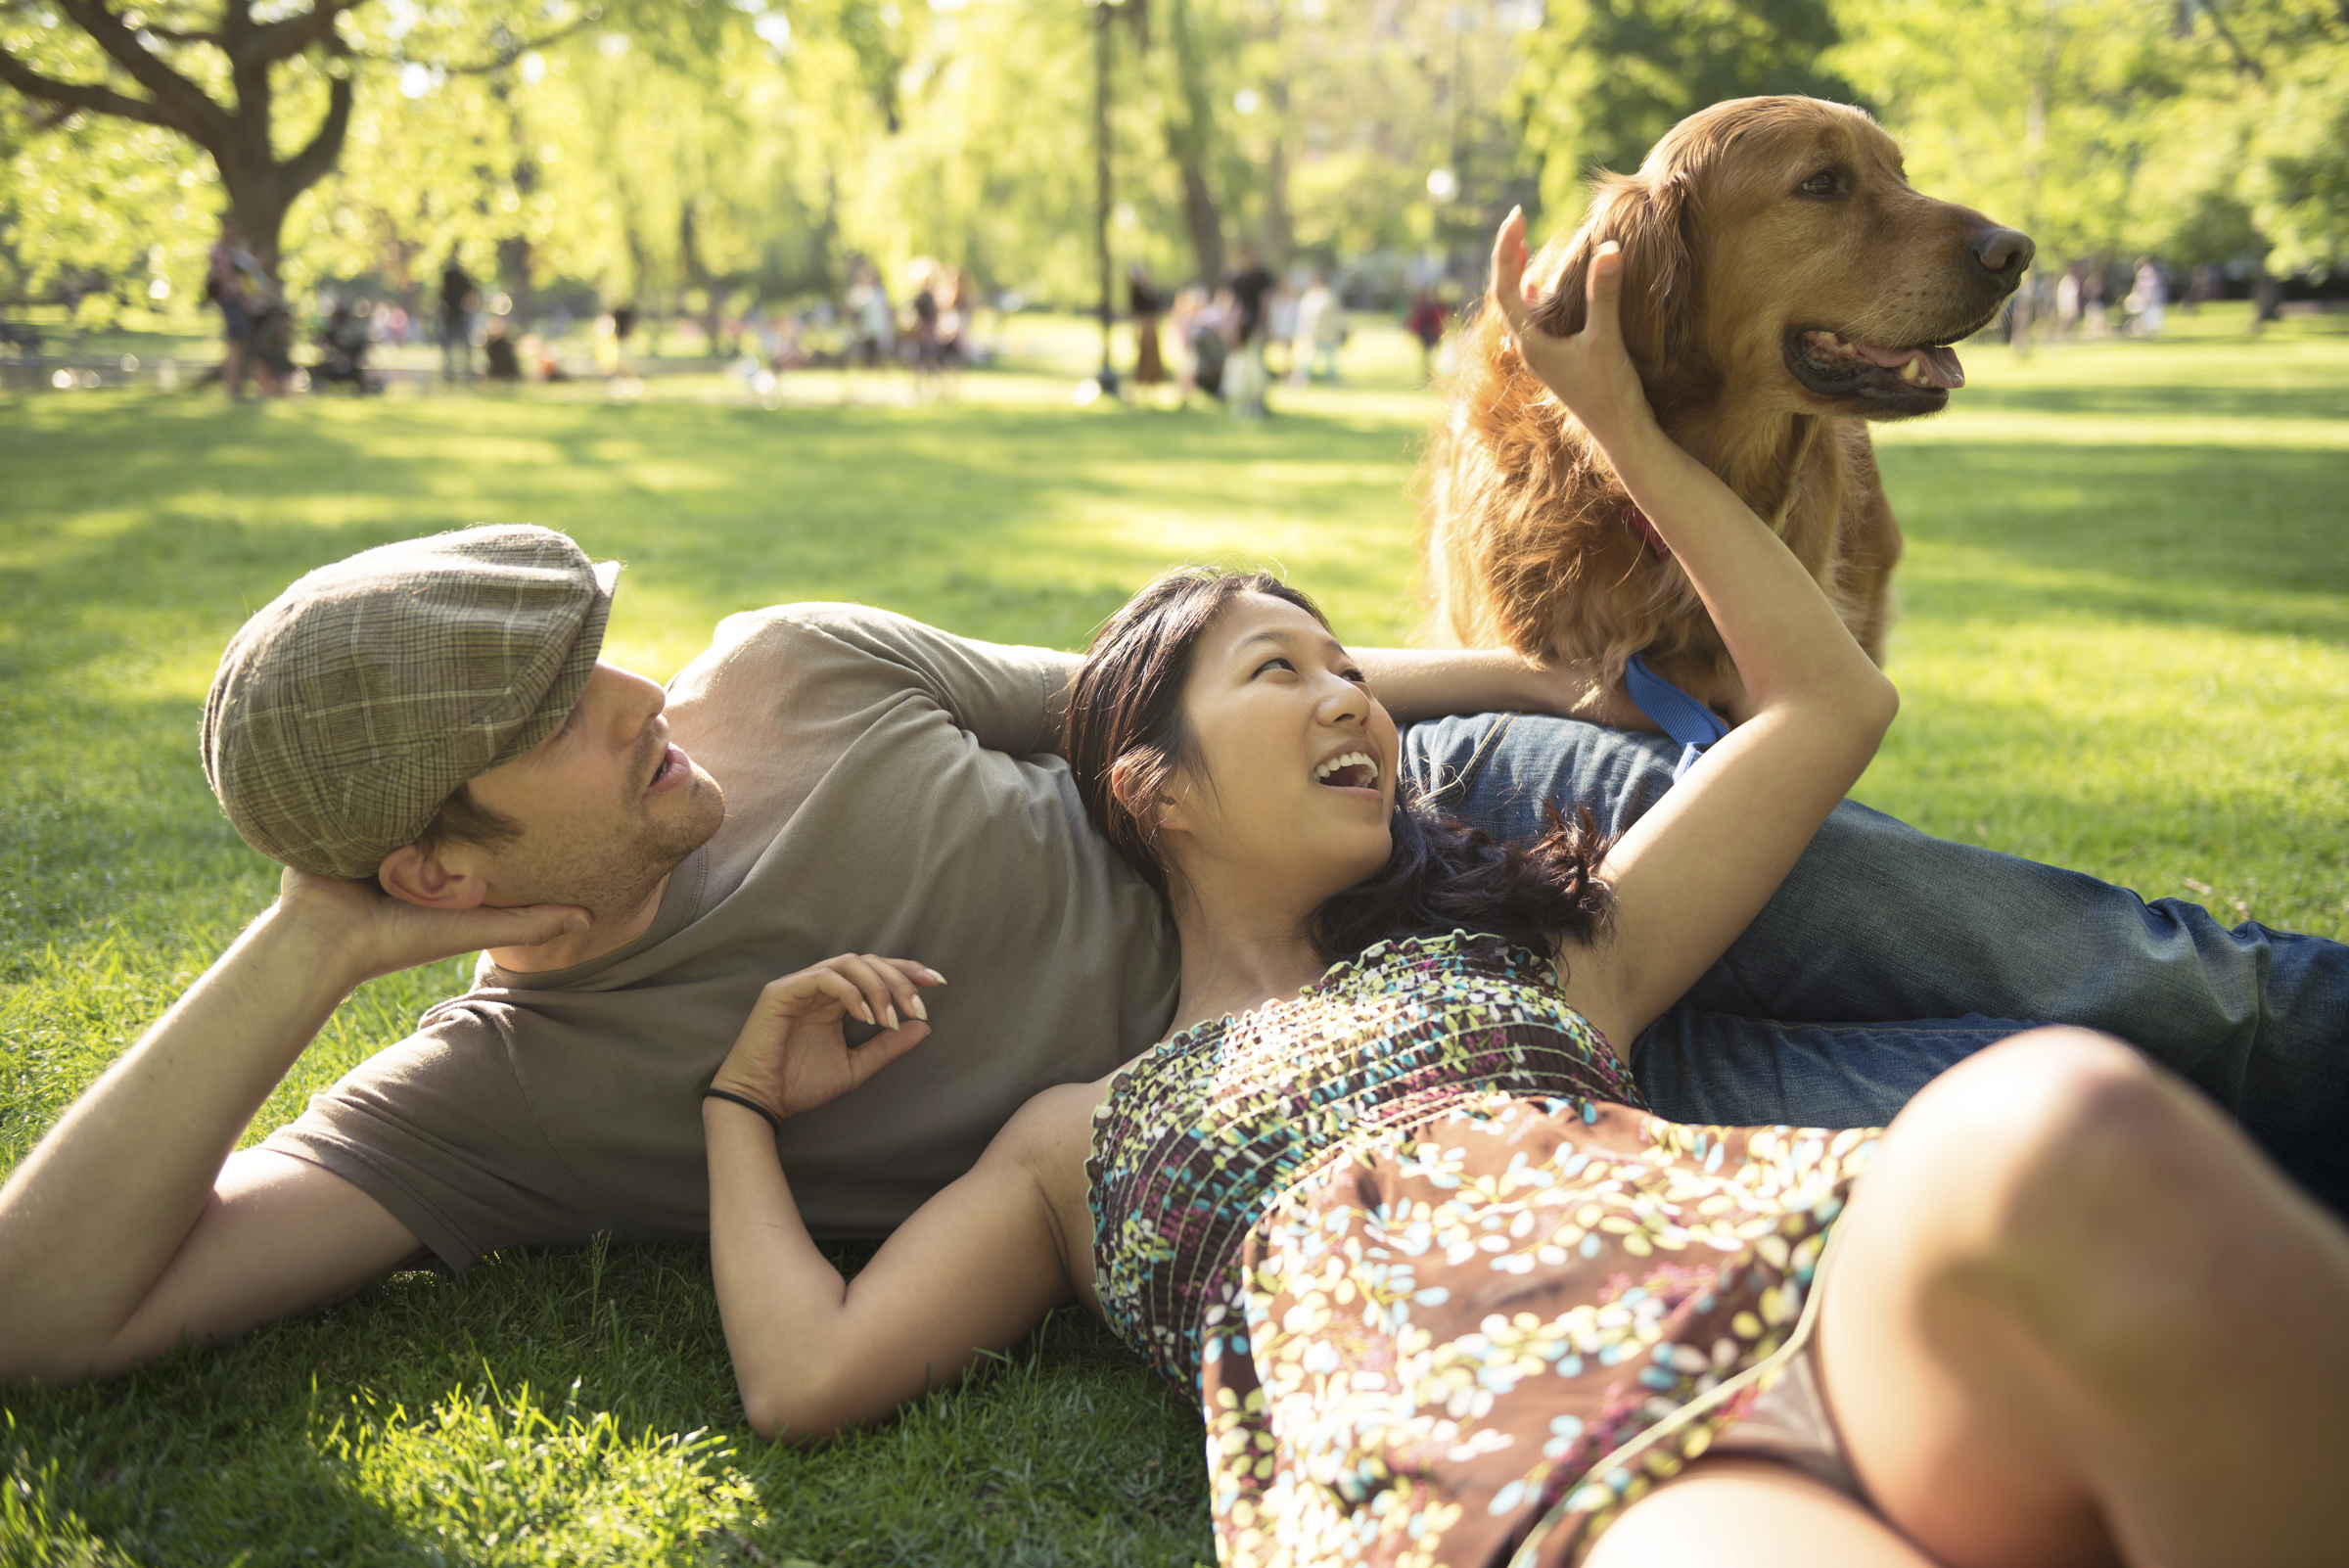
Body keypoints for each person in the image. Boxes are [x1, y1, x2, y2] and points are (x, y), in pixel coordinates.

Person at [2, 359, 2343, 1388]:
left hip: (1477, 838)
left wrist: (1546, 693)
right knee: (2023, 1118)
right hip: (1376, 1104)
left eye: (597, 654)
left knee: (2180, 992)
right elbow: (51, 1316)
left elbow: (1159, 709)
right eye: (564, 721)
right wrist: (316, 939)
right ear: (440, 854)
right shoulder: (493, 1096)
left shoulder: (794, 673)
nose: (641, 698)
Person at [697, 214, 2349, 1564]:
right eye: (1284, 672)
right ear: (1153, 785)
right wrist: (737, 1107)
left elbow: (1825, 707)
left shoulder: (1525, 967)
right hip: (1534, 1459)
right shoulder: (1079, 1138)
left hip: (1802, 1269)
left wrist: (1615, 424)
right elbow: (811, 1373)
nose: (1359, 699)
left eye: (1354, 668)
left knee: (2066, 1122)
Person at [1290, 270, 1343, 387]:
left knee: (1330, 361)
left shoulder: (1329, 296)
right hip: (1310, 334)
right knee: (1306, 360)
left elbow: (1336, 316)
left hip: (1327, 333)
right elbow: (1303, 316)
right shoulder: (1309, 296)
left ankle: (1333, 381)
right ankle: (1300, 381)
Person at [438, 258, 477, 386]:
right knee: (457, 347)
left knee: (455, 347)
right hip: (455, 316)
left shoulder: (456, 277)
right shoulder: (456, 277)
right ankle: (458, 375)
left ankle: (456, 375)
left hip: (456, 316)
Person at [1128, 263, 1168, 387]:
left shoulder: (1148, 290)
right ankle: (1143, 378)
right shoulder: (1136, 290)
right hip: (1144, 323)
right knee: (1145, 351)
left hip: (1151, 322)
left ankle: (1154, 378)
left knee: (1153, 352)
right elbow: (1135, 310)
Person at [1406, 287, 1449, 381]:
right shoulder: (1425, 307)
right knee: (1428, 354)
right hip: (1427, 333)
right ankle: (1427, 372)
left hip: (1433, 333)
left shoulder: (1435, 307)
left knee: (1431, 354)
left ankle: (1429, 372)